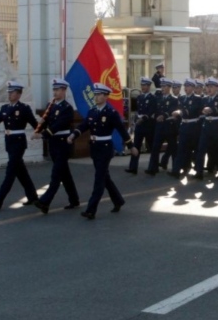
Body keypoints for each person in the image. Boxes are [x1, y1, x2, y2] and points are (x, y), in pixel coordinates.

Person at [70, 83, 130, 219]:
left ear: (106, 96)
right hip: (95, 148)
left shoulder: (111, 113)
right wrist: (74, 134)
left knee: (99, 180)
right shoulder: (93, 111)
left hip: (105, 148)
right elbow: (84, 125)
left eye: (99, 94)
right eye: (96, 94)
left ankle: (91, 210)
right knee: (104, 177)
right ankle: (118, 200)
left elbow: (121, 129)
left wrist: (130, 145)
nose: (96, 97)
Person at [0, 81, 39, 210]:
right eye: (9, 92)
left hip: (19, 142)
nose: (9, 95)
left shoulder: (24, 108)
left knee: (10, 172)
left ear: (18, 94)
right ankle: (33, 197)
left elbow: (35, 124)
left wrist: (42, 133)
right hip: (9, 142)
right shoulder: (5, 108)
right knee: (21, 172)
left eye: (12, 93)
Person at [33, 77, 80, 213]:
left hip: (63, 144)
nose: (55, 92)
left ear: (64, 91)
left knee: (56, 175)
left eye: (58, 90)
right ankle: (74, 199)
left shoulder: (67, 108)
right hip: (53, 144)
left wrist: (44, 134)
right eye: (54, 90)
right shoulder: (51, 106)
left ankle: (45, 201)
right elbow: (47, 122)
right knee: (64, 174)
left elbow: (59, 125)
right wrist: (40, 126)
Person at [125, 77, 156, 174]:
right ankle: (133, 167)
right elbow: (137, 111)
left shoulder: (152, 98)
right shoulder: (140, 97)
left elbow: (152, 112)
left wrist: (143, 119)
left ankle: (153, 168)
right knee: (136, 146)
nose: (143, 87)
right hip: (139, 126)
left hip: (148, 125)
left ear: (149, 86)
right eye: (142, 85)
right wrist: (135, 119)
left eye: (145, 85)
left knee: (151, 147)